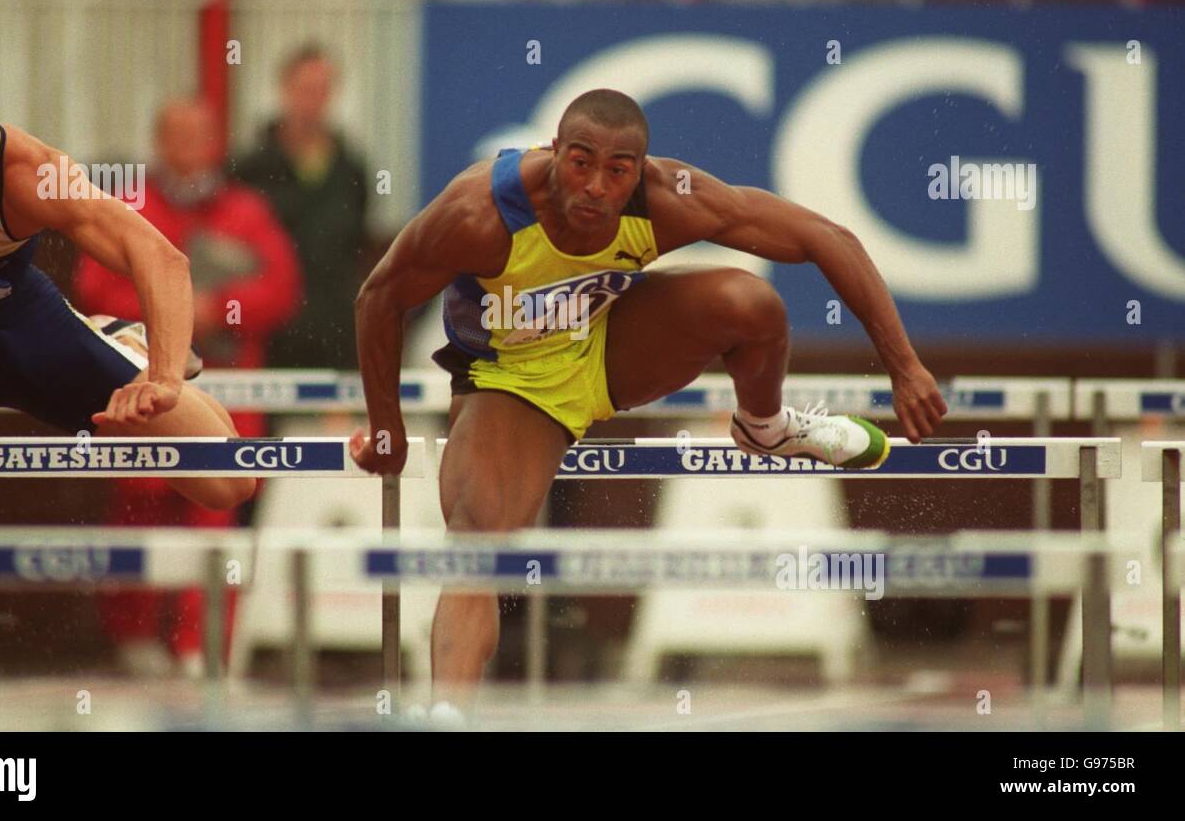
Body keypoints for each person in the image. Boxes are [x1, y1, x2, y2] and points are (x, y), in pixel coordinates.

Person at [351, 88, 948, 716]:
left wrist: (904, 365)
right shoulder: (480, 214)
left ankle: (765, 426)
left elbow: (826, 237)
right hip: (511, 380)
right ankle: (449, 715)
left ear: (641, 169)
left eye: (617, 171)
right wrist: (386, 426)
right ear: (553, 153)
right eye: (580, 163)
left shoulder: (668, 199)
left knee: (752, 303)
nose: (596, 188)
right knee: (477, 539)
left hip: (610, 345)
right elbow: (378, 298)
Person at [0, 46, 254, 512]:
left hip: (32, 333)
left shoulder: (24, 171)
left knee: (229, 482)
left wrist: (162, 377)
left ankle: (114, 339)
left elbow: (159, 258)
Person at [74, 98, 301, 676]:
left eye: (198, 136)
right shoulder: (128, 206)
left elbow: (280, 289)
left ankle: (202, 648)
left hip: (228, 403)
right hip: (140, 396)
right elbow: (92, 290)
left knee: (215, 527)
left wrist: (215, 310)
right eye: (176, 136)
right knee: (139, 511)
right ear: (158, 139)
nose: (188, 148)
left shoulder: (249, 212)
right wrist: (168, 314)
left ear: (215, 142)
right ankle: (132, 642)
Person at [231, 45, 371, 370]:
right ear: (284, 89)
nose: (312, 100)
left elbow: (357, 244)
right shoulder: (250, 168)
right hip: (269, 334)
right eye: (304, 89)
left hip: (335, 330)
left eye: (322, 90)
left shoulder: (352, 168)